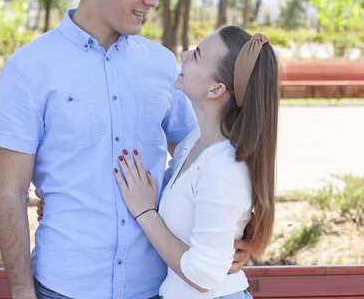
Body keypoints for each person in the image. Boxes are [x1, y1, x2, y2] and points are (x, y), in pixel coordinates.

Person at [0, 0, 250, 299]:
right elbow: (9, 191)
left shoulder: (165, 67)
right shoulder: (29, 70)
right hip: (65, 287)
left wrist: (242, 232)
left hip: (157, 288)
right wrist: (22, 291)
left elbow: (206, 157)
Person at [113, 26, 280, 298]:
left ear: (215, 89)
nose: (184, 54)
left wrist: (145, 213)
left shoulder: (223, 166)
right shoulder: (193, 143)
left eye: (197, 55)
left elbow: (204, 275)